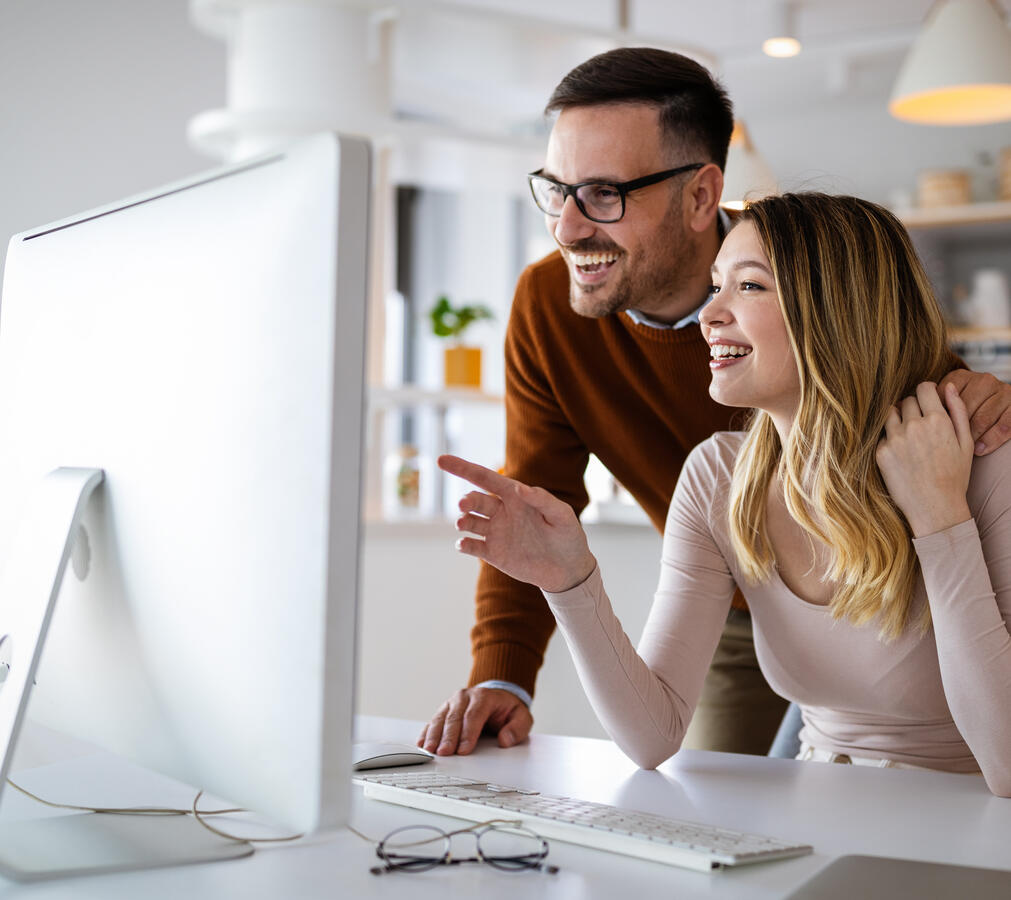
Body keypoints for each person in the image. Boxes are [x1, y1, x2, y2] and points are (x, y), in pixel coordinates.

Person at [418, 48, 1011, 759]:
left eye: (604, 193)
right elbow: (535, 499)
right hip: (740, 588)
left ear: (701, 196)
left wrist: (981, 416)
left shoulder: (824, 289)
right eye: (557, 188)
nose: (568, 227)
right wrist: (505, 673)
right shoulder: (556, 313)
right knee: (727, 802)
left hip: (888, 581)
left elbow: (890, 369)